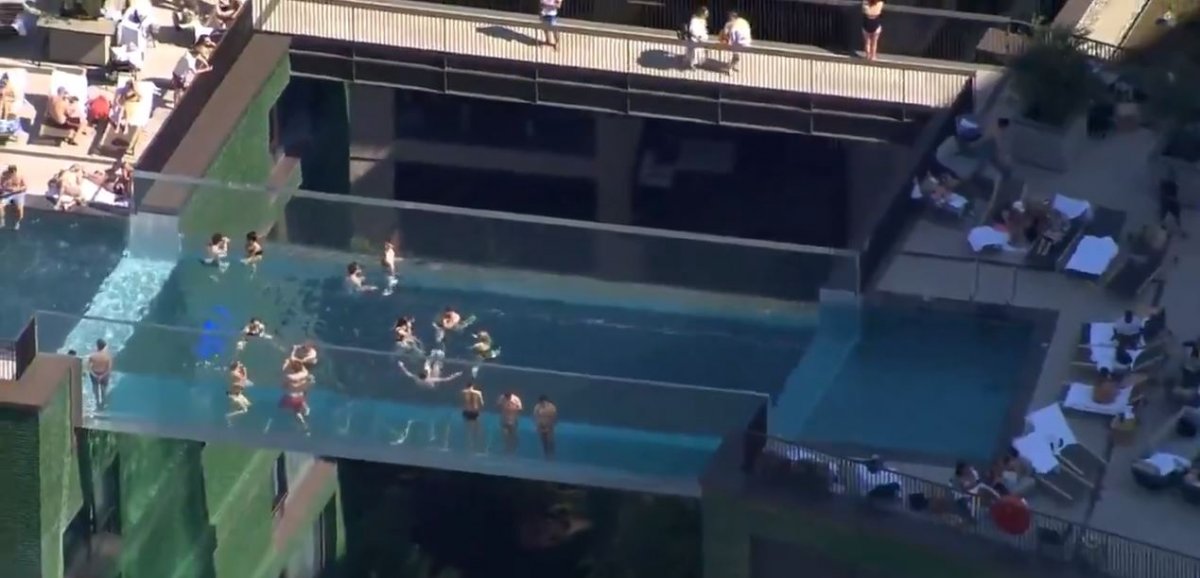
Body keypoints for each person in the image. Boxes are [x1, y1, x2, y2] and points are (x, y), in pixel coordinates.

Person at [279, 357, 312, 432]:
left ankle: (303, 423)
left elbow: (284, 370)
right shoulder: (303, 373)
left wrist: (287, 361)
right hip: (297, 396)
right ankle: (304, 419)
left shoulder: (289, 375)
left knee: (297, 411)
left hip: (291, 396)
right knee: (302, 409)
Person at [398, 354, 463, 389]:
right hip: (432, 385)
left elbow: (407, 373)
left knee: (427, 367)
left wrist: (401, 366)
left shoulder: (416, 377)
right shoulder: (430, 380)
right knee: (436, 367)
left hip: (423, 382)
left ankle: (430, 359)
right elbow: (446, 379)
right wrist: (456, 375)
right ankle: (438, 361)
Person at [88, 339, 113, 408]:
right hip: (104, 374)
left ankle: (97, 403)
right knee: (104, 391)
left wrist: (94, 375)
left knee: (95, 390)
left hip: (94, 374)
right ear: (104, 346)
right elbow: (109, 368)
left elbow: (89, 367)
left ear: (97, 346)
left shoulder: (92, 355)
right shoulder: (108, 356)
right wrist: (102, 376)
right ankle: (103, 404)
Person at [1, 164, 27, 230]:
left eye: (12, 172)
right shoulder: (4, 176)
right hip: (7, 193)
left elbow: (25, 186)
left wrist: (17, 189)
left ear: (15, 171)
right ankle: (2, 220)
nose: (11, 173)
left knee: (20, 210)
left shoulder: (20, 176)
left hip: (18, 194)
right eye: (10, 171)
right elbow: (1, 185)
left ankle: (17, 222)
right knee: (0, 207)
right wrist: (5, 188)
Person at [461, 382, 485, 451]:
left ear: (466, 386)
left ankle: (468, 443)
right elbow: (482, 403)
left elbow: (461, 402)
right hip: (475, 411)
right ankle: (477, 443)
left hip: (466, 411)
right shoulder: (478, 393)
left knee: (467, 428)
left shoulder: (463, 392)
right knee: (476, 428)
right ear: (473, 386)